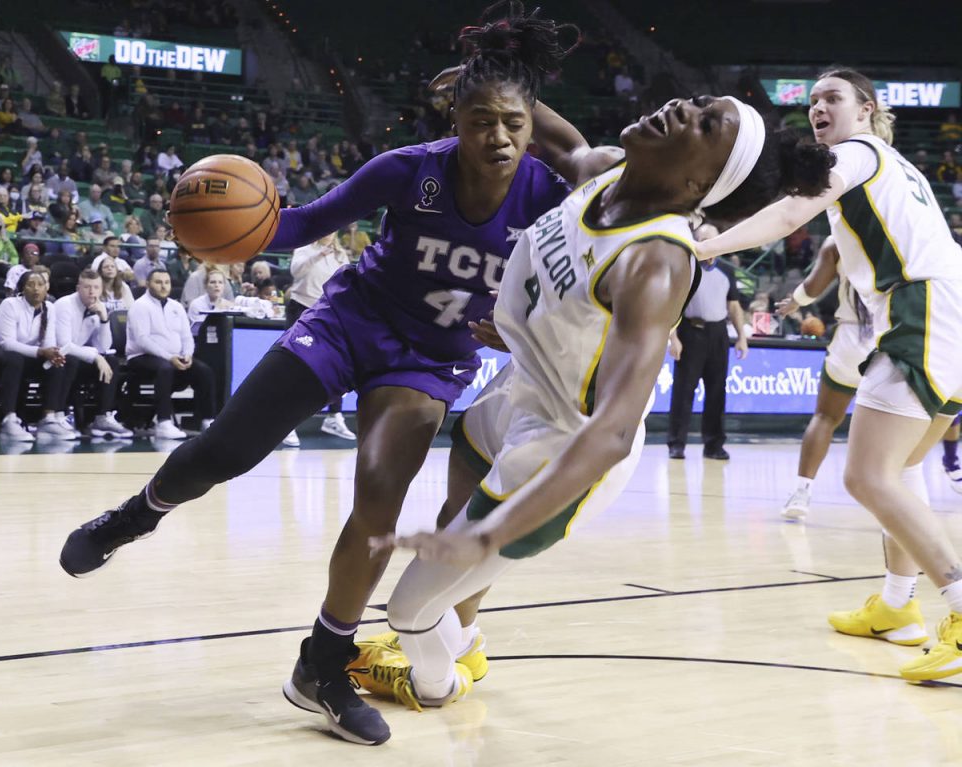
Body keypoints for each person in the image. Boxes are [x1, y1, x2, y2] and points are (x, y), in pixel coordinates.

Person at [59, 3, 580, 746]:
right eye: (480, 121)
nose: (496, 136)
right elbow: (303, 223)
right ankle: (137, 514)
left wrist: (526, 320)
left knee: (378, 508)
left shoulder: (553, 198)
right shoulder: (409, 169)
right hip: (349, 323)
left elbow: (570, 277)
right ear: (455, 120)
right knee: (227, 450)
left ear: (532, 128)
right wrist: (224, 227)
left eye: (513, 123)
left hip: (426, 363)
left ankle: (323, 664)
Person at [358, 92, 832, 717]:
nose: (682, 108)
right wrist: (498, 90)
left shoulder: (656, 261)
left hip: (565, 446)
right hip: (527, 386)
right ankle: (466, 639)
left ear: (697, 183)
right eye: (697, 102)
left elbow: (611, 431)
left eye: (705, 123)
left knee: (408, 610)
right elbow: (564, 145)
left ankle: (434, 683)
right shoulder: (610, 170)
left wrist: (493, 534)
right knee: (464, 469)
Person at [695, 68, 962, 682]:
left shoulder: (856, 152)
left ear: (865, 110)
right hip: (942, 310)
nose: (818, 107)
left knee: (867, 475)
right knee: (903, 469)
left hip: (923, 307)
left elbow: (790, 214)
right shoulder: (896, 166)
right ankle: (897, 607)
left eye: (832, 98)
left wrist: (705, 246)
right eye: (813, 100)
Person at [776, 236, 874, 519]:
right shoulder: (904, 231)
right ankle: (899, 500)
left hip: (851, 337)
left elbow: (813, 286)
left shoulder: (839, 239)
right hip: (890, 334)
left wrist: (794, 302)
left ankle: (802, 492)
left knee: (825, 418)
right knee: (898, 426)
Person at [666, 224, 747, 461]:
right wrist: (673, 337)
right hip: (690, 331)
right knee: (683, 391)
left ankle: (714, 445)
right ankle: (676, 443)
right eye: (702, 239)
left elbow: (734, 306)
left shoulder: (726, 270)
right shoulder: (686, 268)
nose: (707, 243)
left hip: (718, 334)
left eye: (711, 239)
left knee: (717, 392)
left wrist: (742, 337)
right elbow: (672, 304)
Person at [0, 270, 74, 441]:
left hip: (24, 354)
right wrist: (41, 352)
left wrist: (53, 354)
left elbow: (48, 343)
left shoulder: (49, 308)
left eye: (40, 285)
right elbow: (8, 344)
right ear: (22, 289)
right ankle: (9, 420)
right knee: (15, 358)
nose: (36, 289)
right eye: (31, 285)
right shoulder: (10, 304)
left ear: (46, 288)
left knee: (57, 363)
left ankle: (49, 419)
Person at [123, 269, 217, 439]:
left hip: (174, 357)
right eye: (158, 282)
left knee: (204, 371)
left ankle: (207, 420)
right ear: (148, 284)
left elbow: (187, 336)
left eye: (167, 282)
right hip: (141, 357)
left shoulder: (176, 306)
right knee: (165, 368)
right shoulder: (140, 306)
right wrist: (169, 357)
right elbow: (142, 340)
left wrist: (187, 354)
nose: (163, 286)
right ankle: (164, 422)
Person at [287, 232, 356, 443]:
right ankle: (287, 423)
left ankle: (334, 416)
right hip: (301, 307)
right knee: (297, 365)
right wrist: (318, 256)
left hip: (328, 311)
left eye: (334, 230)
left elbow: (345, 284)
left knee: (336, 364)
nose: (330, 232)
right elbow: (296, 271)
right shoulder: (305, 247)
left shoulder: (340, 254)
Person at [56, 269, 132, 438]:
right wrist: (95, 356)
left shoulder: (98, 307)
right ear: (78, 288)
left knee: (111, 361)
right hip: (56, 359)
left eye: (96, 287)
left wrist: (104, 319)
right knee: (71, 360)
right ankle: (58, 416)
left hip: (78, 358)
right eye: (87, 287)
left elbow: (104, 347)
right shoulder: (64, 305)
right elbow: (64, 345)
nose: (92, 292)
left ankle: (102, 417)